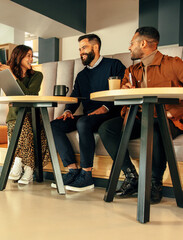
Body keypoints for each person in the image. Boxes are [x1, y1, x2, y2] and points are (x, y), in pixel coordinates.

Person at [98, 26, 183, 203]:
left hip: (165, 121)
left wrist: (172, 112)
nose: (129, 47)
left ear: (143, 43)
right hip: (138, 119)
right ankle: (131, 177)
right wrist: (125, 92)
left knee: (155, 126)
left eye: (131, 43)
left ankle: (154, 184)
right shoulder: (131, 71)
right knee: (107, 129)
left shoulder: (172, 64)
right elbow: (121, 98)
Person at [50, 34, 126, 192]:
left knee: (83, 122)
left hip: (110, 114)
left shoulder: (114, 65)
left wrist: (106, 107)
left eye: (84, 48)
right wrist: (68, 111)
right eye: (79, 49)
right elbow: (75, 96)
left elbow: (123, 92)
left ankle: (87, 175)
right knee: (54, 125)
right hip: (90, 116)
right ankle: (72, 169)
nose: (81, 52)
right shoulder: (81, 75)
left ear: (96, 47)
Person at [0, 45, 50, 185]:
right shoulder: (9, 74)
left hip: (32, 115)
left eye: (32, 56)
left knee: (24, 125)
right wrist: (7, 74)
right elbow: (11, 95)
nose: (31, 59)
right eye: (28, 56)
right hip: (14, 115)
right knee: (19, 124)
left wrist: (11, 75)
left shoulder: (37, 75)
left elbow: (30, 94)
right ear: (19, 57)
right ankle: (28, 168)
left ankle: (20, 163)